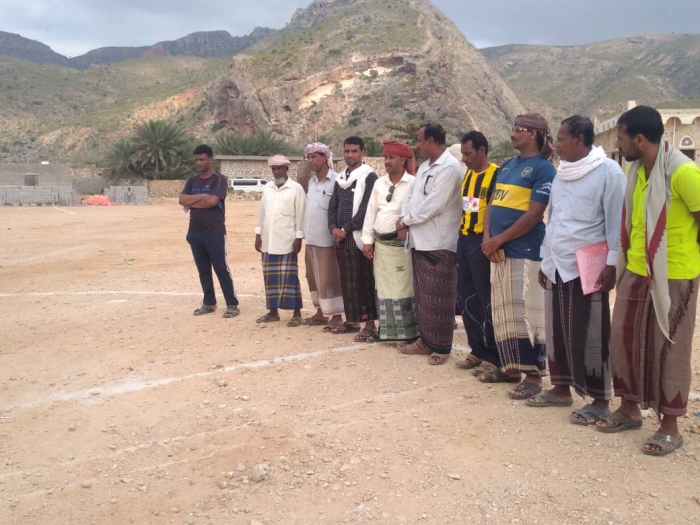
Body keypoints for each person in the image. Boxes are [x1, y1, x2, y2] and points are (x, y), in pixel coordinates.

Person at [595, 105, 700, 457]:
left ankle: (670, 427)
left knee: (669, 348)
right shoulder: (638, 170)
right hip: (636, 269)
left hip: (674, 275)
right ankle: (629, 409)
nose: (618, 144)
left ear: (639, 139)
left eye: (621, 138)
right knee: (624, 340)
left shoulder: (683, 173)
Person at [530, 116, 626, 423]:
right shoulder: (562, 173)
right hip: (557, 264)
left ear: (580, 140)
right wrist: (546, 260)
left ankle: (600, 400)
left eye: (561, 139)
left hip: (588, 267)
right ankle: (561, 389)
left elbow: (616, 223)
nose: (556, 144)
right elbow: (554, 220)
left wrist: (612, 265)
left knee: (592, 331)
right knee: (557, 330)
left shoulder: (608, 172)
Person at [481, 113, 556, 398]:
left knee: (527, 314)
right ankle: (510, 367)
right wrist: (488, 239)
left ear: (533, 134)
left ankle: (533, 377)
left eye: (518, 129)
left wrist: (498, 239)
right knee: (504, 313)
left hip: (525, 251)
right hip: (498, 250)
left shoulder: (543, 169)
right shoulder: (507, 166)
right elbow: (491, 204)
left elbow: (535, 214)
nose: (512, 133)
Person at [396, 123, 463, 365]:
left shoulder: (450, 168)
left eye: (419, 140)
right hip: (419, 240)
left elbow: (434, 204)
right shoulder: (425, 167)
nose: (417, 145)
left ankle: (441, 348)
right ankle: (425, 341)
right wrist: (404, 218)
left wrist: (406, 221)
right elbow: (411, 197)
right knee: (423, 297)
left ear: (432, 141)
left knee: (440, 298)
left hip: (439, 242)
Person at [452, 131, 500, 375]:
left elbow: (495, 211)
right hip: (464, 240)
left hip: (482, 243)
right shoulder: (468, 175)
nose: (464, 159)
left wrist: (488, 240)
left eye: (468, 154)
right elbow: (468, 208)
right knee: (468, 298)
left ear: (482, 151)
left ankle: (494, 355)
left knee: (486, 299)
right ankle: (477, 349)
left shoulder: (496, 175)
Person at [361, 139, 417, 342]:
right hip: (382, 247)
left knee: (403, 287)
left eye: (391, 157)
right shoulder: (379, 183)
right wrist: (368, 241)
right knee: (383, 288)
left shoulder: (413, 183)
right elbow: (371, 213)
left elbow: (416, 213)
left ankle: (408, 334)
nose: (387, 161)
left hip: (401, 247)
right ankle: (387, 332)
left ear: (403, 160)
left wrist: (406, 228)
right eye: (385, 157)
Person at [178, 144, 240, 318]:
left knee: (221, 268)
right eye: (196, 160)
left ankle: (232, 304)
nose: (199, 163)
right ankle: (209, 302)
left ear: (211, 159)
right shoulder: (192, 180)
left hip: (214, 232)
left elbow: (212, 201)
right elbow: (182, 200)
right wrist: (202, 197)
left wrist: (193, 201)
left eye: (202, 159)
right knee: (203, 269)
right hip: (195, 232)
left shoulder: (219, 179)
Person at [328, 136, 379, 341]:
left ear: (363, 152)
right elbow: (332, 206)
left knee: (363, 281)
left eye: (354, 151)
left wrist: (345, 230)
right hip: (341, 240)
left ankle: (369, 324)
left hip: (358, 238)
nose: (350, 155)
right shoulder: (341, 178)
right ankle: (352, 321)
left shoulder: (369, 177)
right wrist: (333, 228)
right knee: (347, 282)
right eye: (347, 151)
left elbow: (366, 209)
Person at [254, 154, 307, 327]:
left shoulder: (296, 189)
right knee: (270, 278)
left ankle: (297, 313)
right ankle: (273, 312)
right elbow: (262, 212)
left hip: (287, 241)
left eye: (279, 168)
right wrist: (258, 234)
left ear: (286, 169)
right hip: (268, 240)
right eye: (274, 169)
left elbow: (300, 215)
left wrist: (299, 238)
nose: (277, 172)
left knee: (290, 278)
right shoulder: (267, 188)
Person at [302, 142, 345, 331]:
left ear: (325, 158)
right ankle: (320, 312)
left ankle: (336, 316)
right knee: (313, 277)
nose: (310, 161)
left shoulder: (337, 180)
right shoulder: (311, 182)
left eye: (314, 157)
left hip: (327, 240)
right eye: (308, 157)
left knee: (330, 278)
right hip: (311, 239)